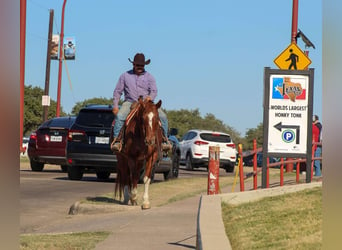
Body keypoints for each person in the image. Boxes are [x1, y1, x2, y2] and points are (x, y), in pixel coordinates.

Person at [111, 53, 171, 152]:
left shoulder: (150, 77)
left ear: (144, 65)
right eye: (137, 65)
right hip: (130, 101)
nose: (139, 67)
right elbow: (117, 91)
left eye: (142, 65)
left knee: (163, 117)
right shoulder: (125, 76)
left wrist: (150, 97)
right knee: (120, 116)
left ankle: (164, 140)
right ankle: (117, 141)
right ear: (133, 64)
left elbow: (154, 91)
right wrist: (115, 106)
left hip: (147, 104)